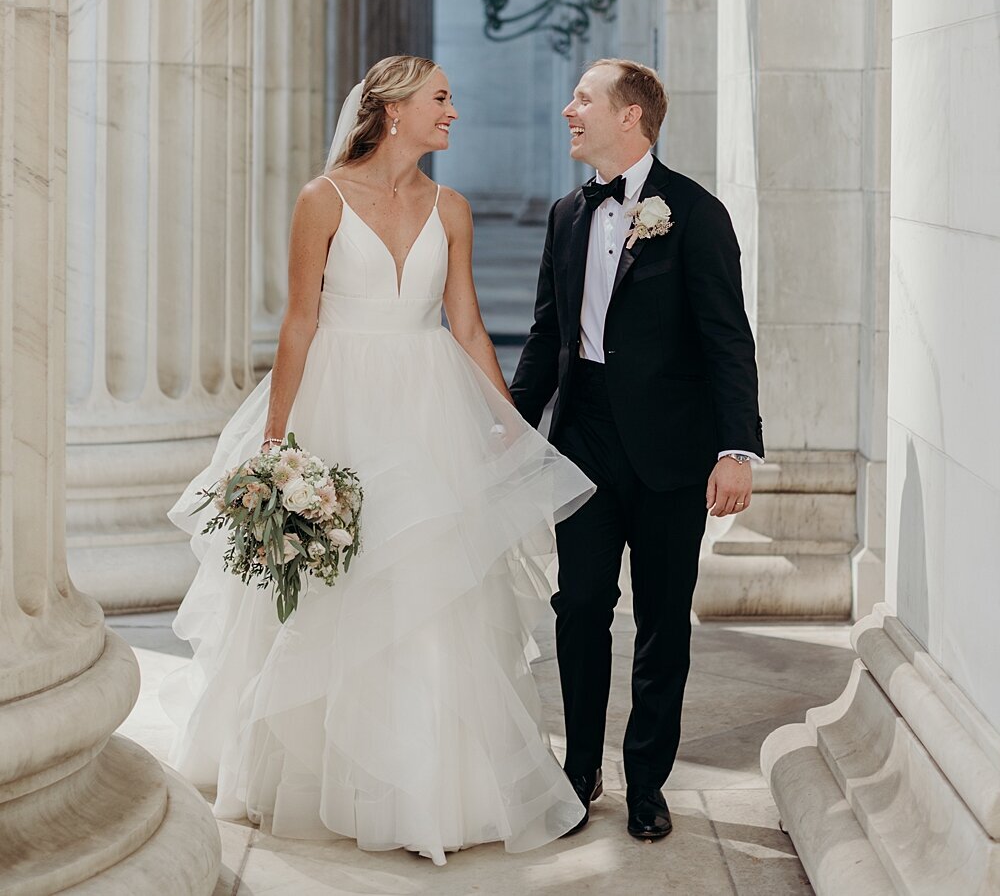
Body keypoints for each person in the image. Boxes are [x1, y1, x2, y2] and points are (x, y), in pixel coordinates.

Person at [164, 55, 594, 866]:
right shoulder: (320, 200)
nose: (454, 112)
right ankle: (323, 777)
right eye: (442, 98)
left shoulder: (453, 209)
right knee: (341, 583)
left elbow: (466, 327)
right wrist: (276, 442)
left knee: (430, 581)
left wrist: (506, 421)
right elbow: (299, 322)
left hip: (428, 405)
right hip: (341, 401)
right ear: (392, 108)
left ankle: (432, 788)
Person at [510, 58, 763, 842]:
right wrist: (509, 427)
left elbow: (728, 339)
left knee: (662, 622)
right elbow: (549, 331)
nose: (567, 111)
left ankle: (647, 781)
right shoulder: (566, 213)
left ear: (631, 117)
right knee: (580, 606)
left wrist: (735, 450)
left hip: (672, 454)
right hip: (583, 442)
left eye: (582, 99)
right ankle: (579, 771)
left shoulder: (695, 212)